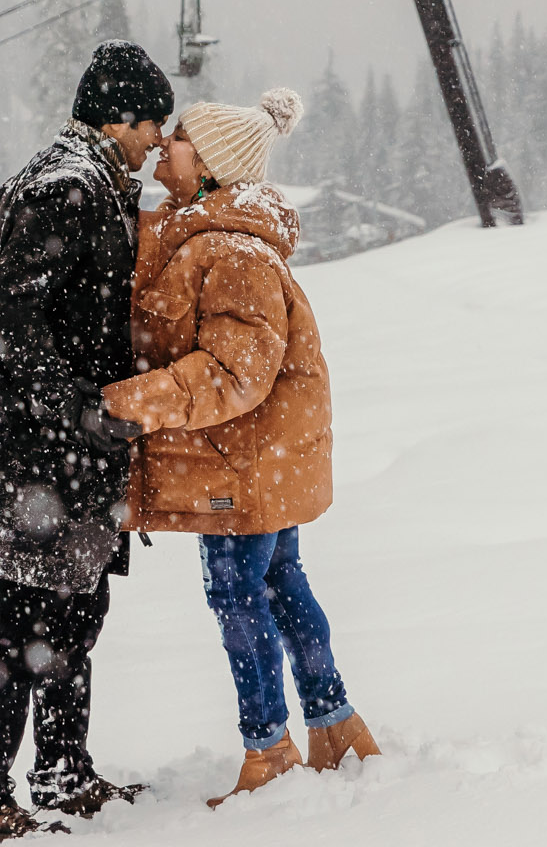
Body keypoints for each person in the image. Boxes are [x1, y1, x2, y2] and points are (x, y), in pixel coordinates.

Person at [102, 87, 380, 807]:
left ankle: (271, 747)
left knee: (237, 592)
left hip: (243, 462)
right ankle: (334, 723)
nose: (165, 144)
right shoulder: (211, 235)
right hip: (255, 457)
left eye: (182, 138)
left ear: (216, 164)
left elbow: (234, 372)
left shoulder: (232, 251)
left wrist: (130, 403)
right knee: (280, 583)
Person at [0, 39, 171, 847]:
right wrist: (72, 407)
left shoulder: (80, 184)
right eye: (152, 123)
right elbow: (1, 320)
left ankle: (62, 770)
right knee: (18, 623)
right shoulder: (65, 189)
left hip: (64, 457)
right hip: (42, 462)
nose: (156, 139)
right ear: (119, 117)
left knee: (75, 610)